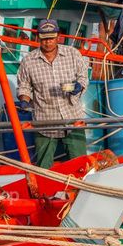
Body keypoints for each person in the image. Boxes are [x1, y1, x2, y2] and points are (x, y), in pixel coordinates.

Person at [15, 19, 89, 168]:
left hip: (72, 117)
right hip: (45, 121)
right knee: (43, 167)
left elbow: (83, 77)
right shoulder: (28, 61)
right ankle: (44, 190)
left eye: (51, 38)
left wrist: (78, 86)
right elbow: (24, 86)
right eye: (44, 39)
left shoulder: (72, 54)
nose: (48, 42)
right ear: (38, 38)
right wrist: (24, 100)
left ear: (58, 37)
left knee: (81, 165)